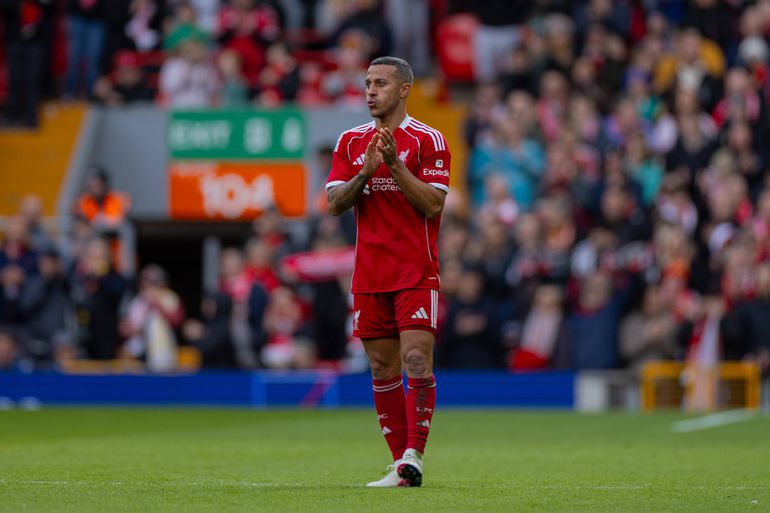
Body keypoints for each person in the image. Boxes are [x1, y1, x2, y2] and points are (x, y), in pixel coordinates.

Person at [326, 56, 450, 488]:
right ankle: (402, 466)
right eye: (367, 83)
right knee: (382, 370)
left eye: (380, 83)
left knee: (416, 359)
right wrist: (365, 172)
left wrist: (395, 166)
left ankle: (414, 452)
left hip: (415, 270)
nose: (370, 91)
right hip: (369, 274)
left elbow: (434, 205)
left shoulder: (429, 140)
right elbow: (335, 202)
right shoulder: (349, 141)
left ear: (403, 90)